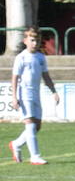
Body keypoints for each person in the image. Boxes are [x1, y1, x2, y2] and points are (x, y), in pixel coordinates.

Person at [9, 27, 59, 165]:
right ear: (25, 41)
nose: (35, 43)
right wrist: (14, 97)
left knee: (37, 126)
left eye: (37, 40)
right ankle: (35, 156)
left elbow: (46, 76)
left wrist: (53, 91)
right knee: (30, 125)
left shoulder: (41, 57)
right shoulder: (21, 57)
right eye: (32, 40)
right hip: (24, 94)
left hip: (36, 94)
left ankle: (16, 144)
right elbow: (14, 78)